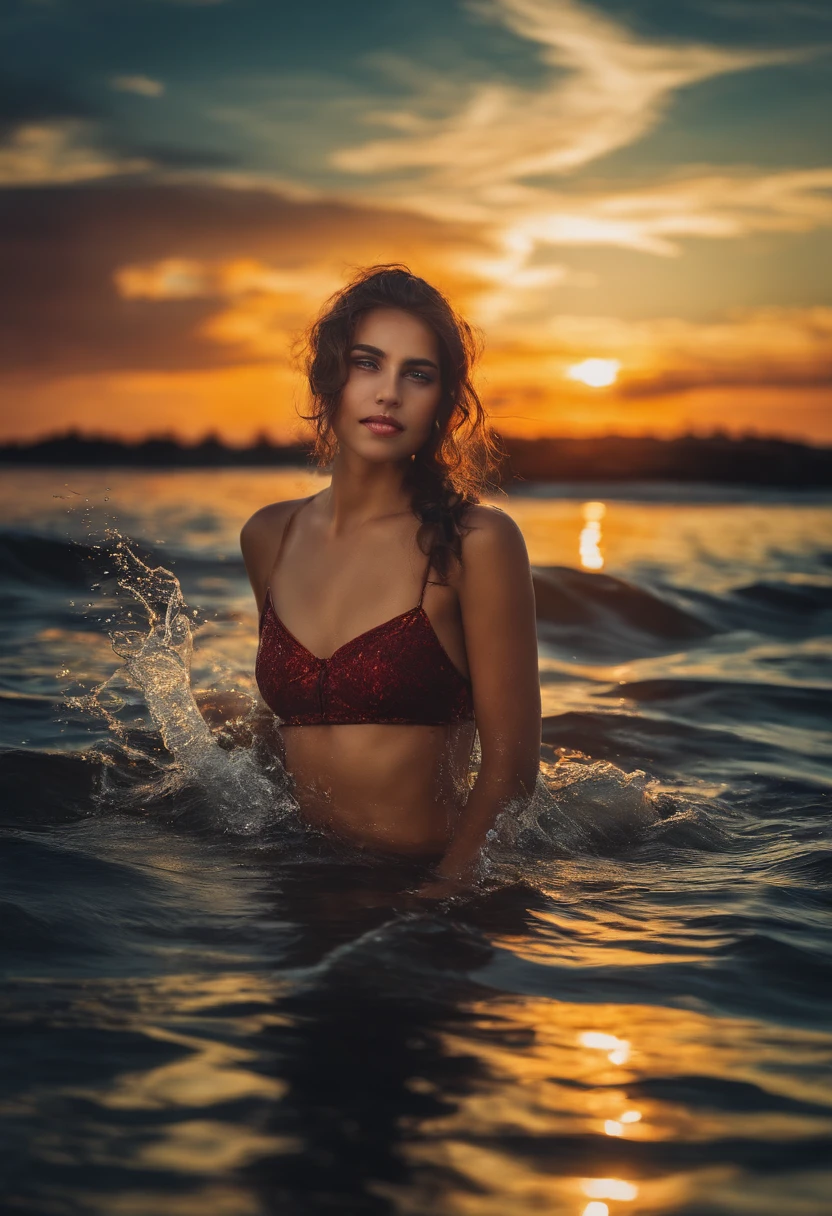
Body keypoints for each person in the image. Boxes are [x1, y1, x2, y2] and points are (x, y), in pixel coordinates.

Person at [240, 265, 541, 898]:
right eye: (368, 364)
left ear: (444, 403)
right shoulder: (270, 535)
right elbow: (282, 736)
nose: (389, 394)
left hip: (427, 889)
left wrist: (440, 898)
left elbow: (512, 771)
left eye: (418, 374)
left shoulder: (473, 543)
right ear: (330, 378)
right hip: (298, 881)